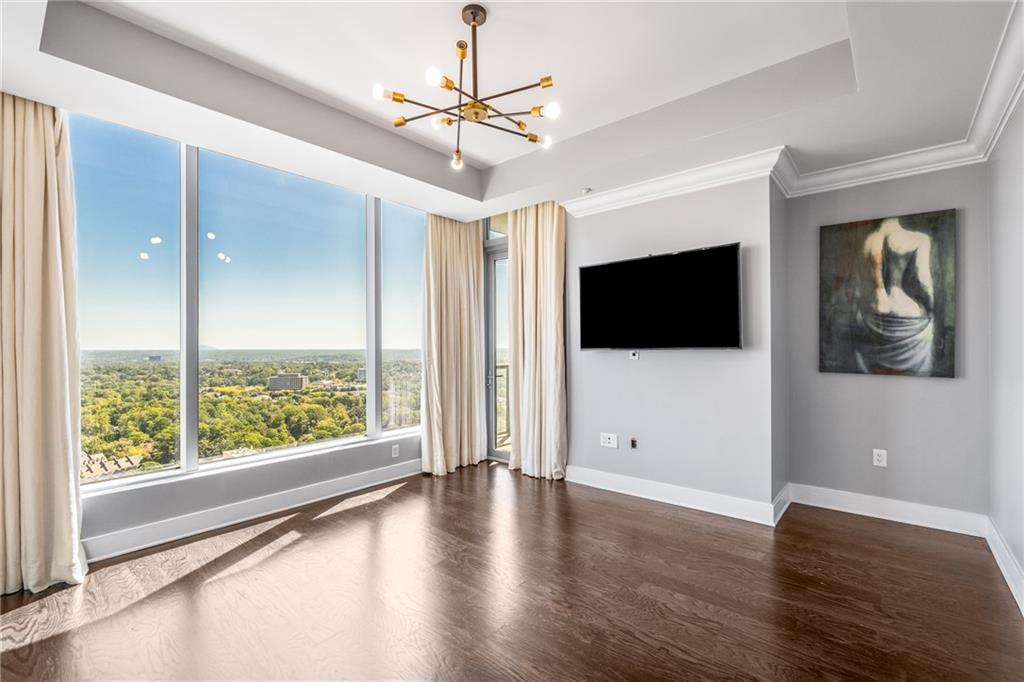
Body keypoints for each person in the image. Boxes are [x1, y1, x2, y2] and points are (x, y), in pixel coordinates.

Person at [855, 217, 935, 375]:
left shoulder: (867, 241)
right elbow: (923, 278)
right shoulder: (919, 239)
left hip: (871, 318)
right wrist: (931, 306)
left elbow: (861, 284)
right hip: (904, 313)